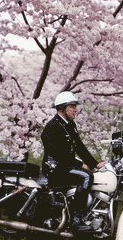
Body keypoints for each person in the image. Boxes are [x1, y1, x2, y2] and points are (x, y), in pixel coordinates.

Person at [41, 91, 105, 232]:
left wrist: (95, 163)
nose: (76, 109)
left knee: (90, 172)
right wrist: (80, 164)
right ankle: (76, 219)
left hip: (65, 165)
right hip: (54, 168)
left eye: (75, 106)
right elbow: (59, 155)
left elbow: (79, 146)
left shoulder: (70, 124)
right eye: (72, 106)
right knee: (86, 176)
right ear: (62, 109)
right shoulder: (52, 127)